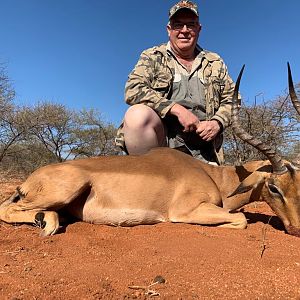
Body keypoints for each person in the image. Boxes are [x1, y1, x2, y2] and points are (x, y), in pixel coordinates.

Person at [115, 0, 236, 165]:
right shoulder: (153, 56)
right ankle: (152, 175)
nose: (184, 31)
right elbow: (133, 89)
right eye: (178, 25)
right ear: (169, 29)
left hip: (205, 150)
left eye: (190, 25)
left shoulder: (215, 61)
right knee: (137, 115)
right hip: (163, 147)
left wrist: (217, 123)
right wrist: (177, 110)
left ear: (198, 29)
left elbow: (232, 99)